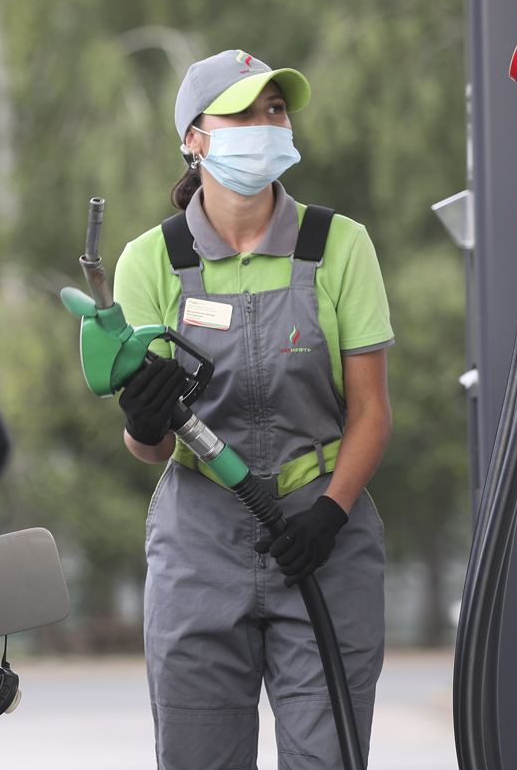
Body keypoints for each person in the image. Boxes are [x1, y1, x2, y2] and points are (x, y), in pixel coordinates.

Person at [112, 49, 393, 769]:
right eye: (243, 113)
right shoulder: (151, 261)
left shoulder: (338, 246)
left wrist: (329, 516)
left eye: (276, 109)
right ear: (195, 138)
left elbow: (371, 412)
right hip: (199, 543)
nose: (266, 124)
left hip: (322, 531)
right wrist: (143, 423)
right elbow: (149, 447)